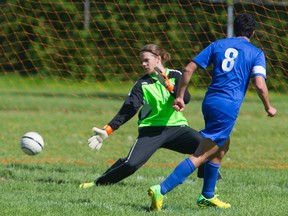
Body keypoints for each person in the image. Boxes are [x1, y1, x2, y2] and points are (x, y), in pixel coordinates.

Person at [148, 13, 277, 211]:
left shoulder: (218, 45)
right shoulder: (256, 53)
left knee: (222, 145)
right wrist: (268, 106)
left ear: (234, 29)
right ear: (253, 32)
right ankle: (161, 189)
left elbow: (189, 68)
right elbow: (260, 84)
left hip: (210, 102)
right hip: (227, 106)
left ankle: (207, 196)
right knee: (202, 154)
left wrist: (180, 95)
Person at [79, 44, 222, 189]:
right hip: (151, 131)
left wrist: (168, 85)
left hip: (177, 128)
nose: (143, 64)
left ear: (158, 59)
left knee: (207, 147)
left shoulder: (175, 75)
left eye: (146, 60)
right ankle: (98, 183)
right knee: (131, 163)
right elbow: (128, 109)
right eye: (141, 61)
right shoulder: (142, 83)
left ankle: (210, 188)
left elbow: (185, 98)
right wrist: (108, 130)